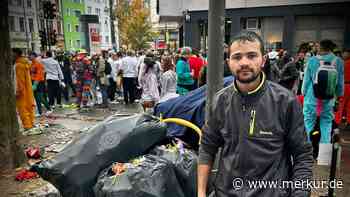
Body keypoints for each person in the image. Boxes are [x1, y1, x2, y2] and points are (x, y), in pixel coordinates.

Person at [198, 31, 313, 197]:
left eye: (252, 56)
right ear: (228, 62)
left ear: (263, 60)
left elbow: (302, 154)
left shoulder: (285, 101)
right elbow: (207, 147)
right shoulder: (220, 101)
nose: (244, 62)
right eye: (237, 57)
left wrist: (300, 193)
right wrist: (201, 193)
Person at [302, 39, 344, 144]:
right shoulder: (338, 61)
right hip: (329, 98)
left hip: (312, 97)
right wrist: (338, 96)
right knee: (326, 124)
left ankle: (306, 151)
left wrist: (304, 93)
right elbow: (339, 83)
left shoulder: (312, 60)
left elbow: (306, 81)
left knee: (308, 123)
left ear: (320, 47)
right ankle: (324, 154)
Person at [13, 48, 35, 130]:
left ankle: (27, 126)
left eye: (12, 53)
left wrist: (18, 90)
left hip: (21, 91)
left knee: (22, 109)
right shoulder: (25, 64)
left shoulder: (18, 65)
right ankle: (31, 124)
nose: (11, 55)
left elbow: (19, 80)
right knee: (28, 107)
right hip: (27, 90)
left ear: (16, 54)